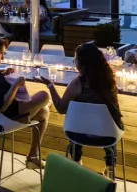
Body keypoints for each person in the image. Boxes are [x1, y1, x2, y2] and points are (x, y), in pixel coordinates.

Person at [37, 43, 123, 176]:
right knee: (111, 120)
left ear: (81, 65)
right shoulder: (110, 81)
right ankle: (110, 167)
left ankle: (76, 162)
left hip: (79, 134)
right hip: (108, 135)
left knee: (77, 122)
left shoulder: (77, 84)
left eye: (76, 60)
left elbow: (61, 108)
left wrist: (50, 86)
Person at [0, 35, 50, 169]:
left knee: (44, 112)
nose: (3, 58)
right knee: (44, 96)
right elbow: (2, 107)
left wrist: (3, 74)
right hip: (4, 119)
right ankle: (32, 154)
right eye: (1, 53)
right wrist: (16, 86)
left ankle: (33, 156)